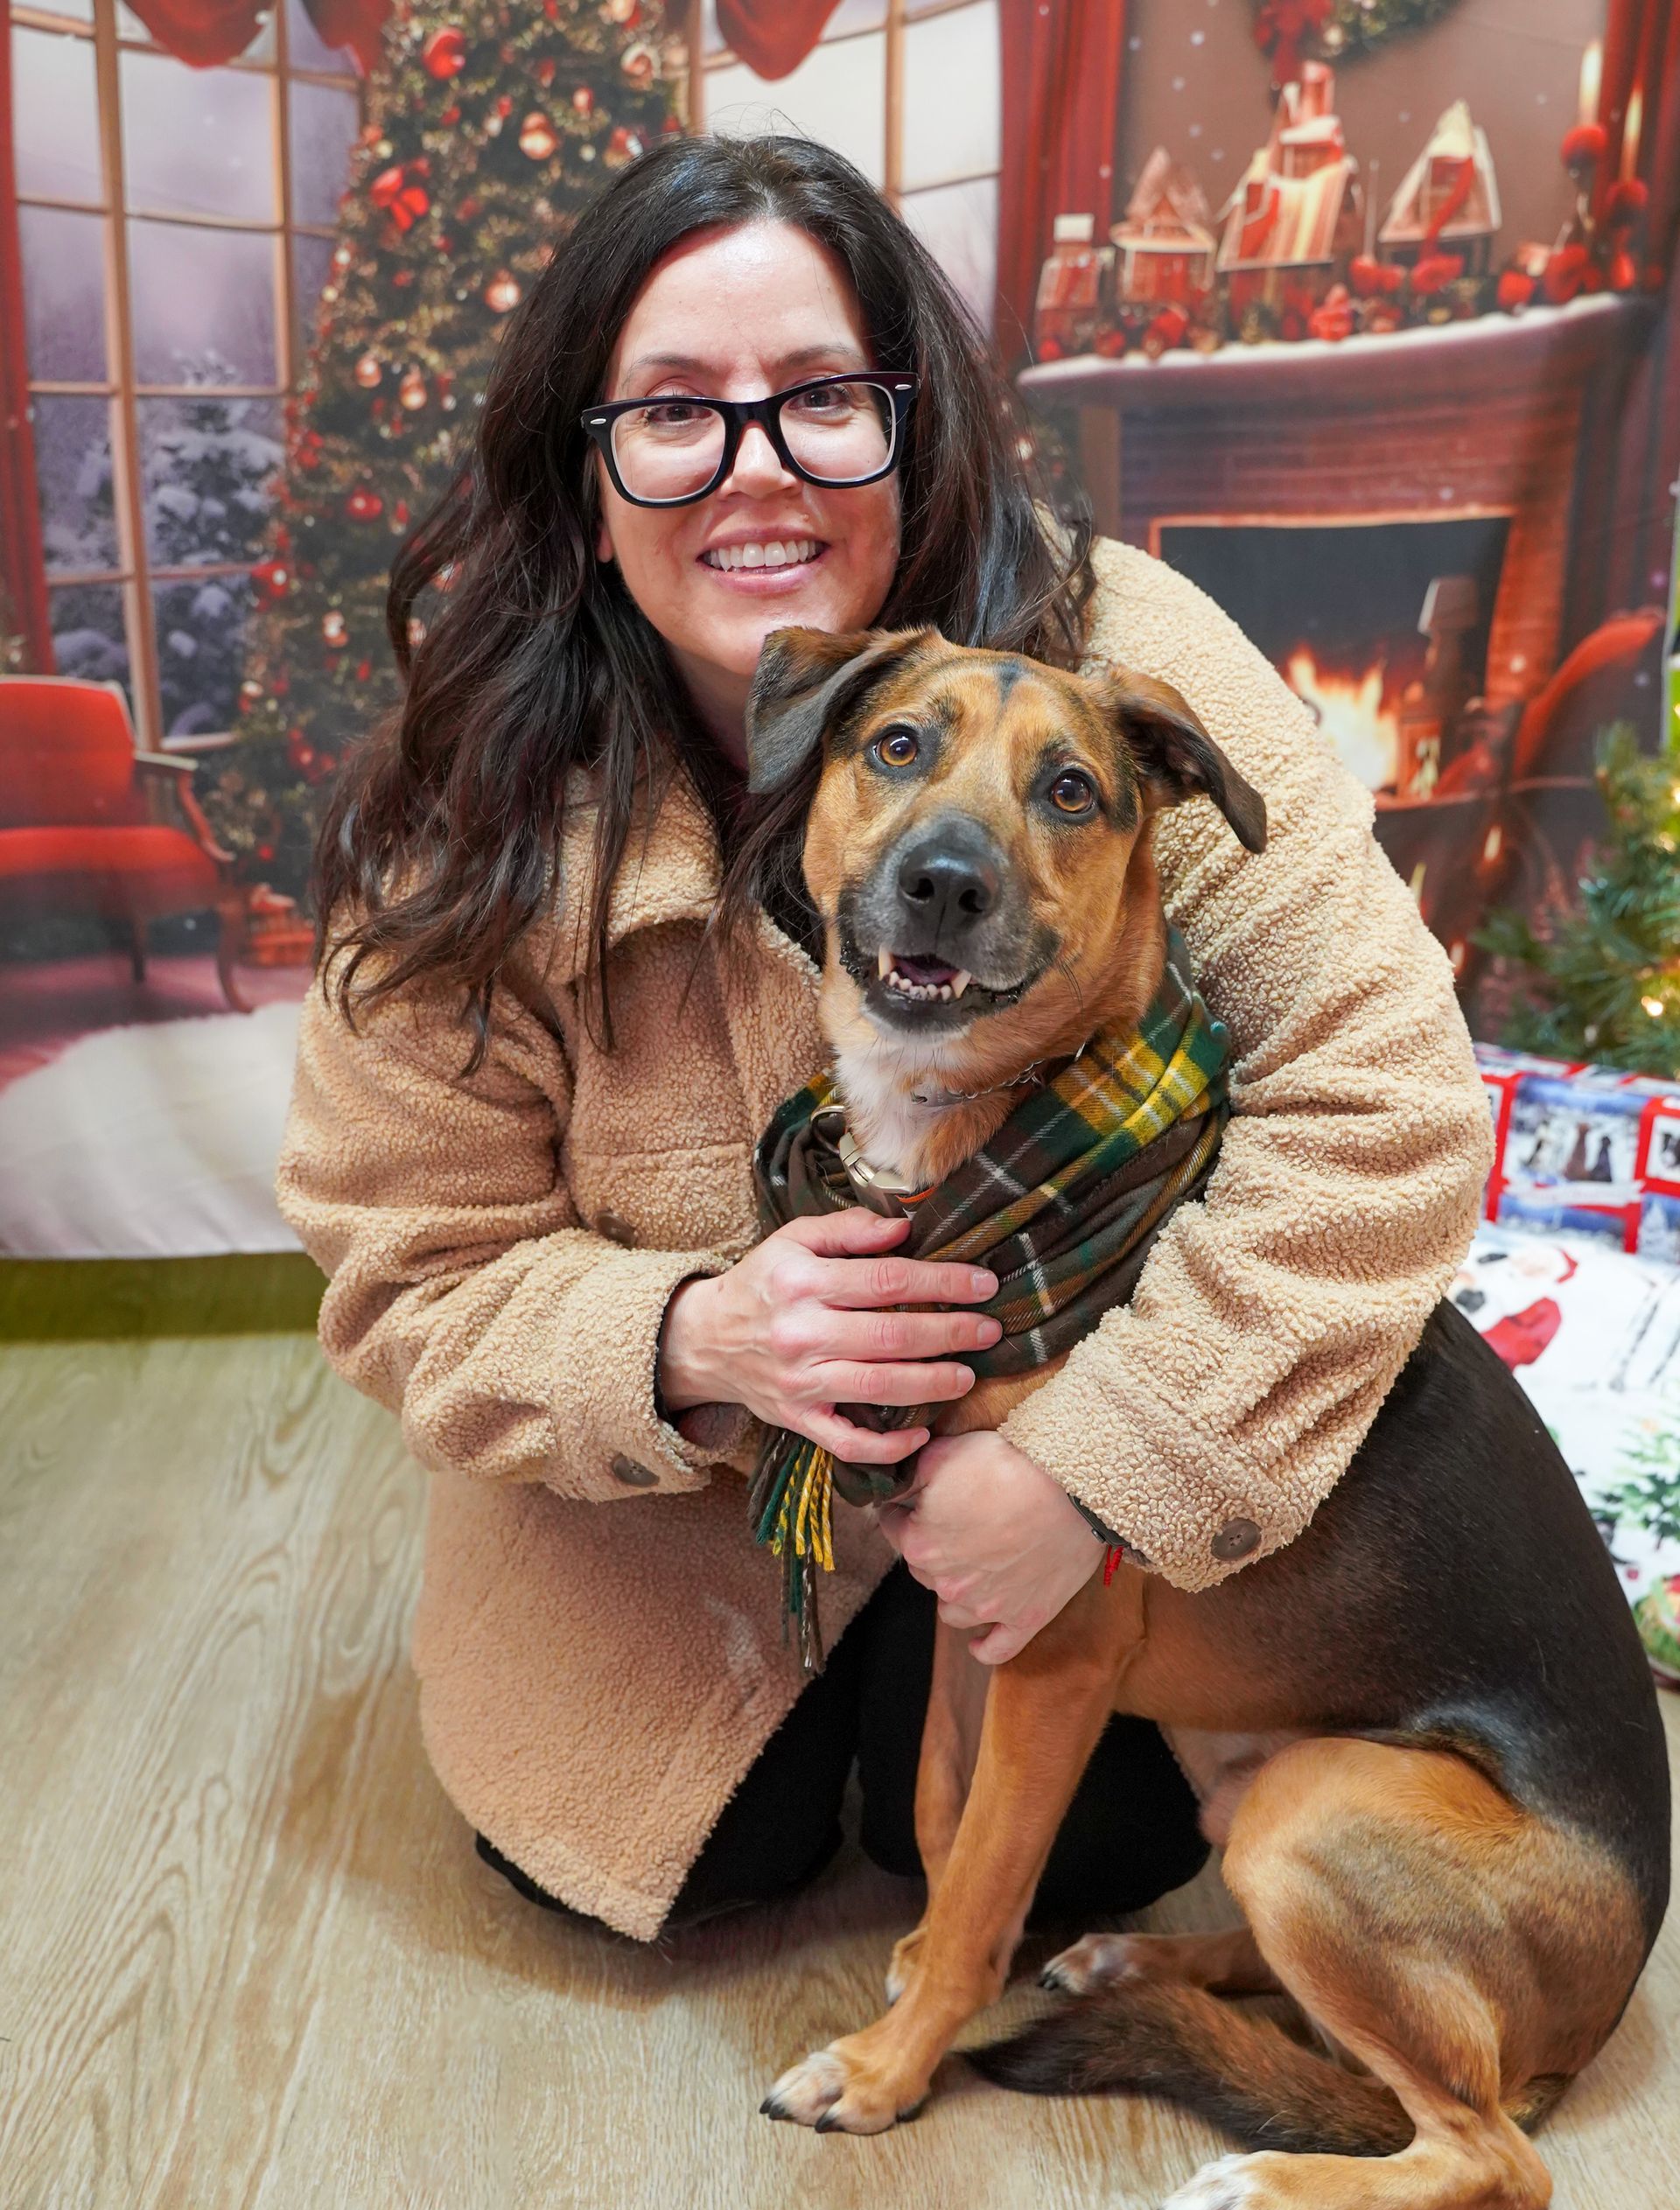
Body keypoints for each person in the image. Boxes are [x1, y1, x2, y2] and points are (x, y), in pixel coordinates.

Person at [274, 134, 1491, 1942]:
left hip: (1078, 1396)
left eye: (821, 398)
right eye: (674, 411)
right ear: (587, 478)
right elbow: (406, 1265)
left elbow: (1387, 1101)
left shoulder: (1122, 658)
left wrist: (1104, 1467)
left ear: (908, 434)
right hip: (676, 1508)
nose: (756, 468)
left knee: (1085, 1860)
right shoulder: (474, 805)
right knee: (682, 1860)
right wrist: (687, 1337)